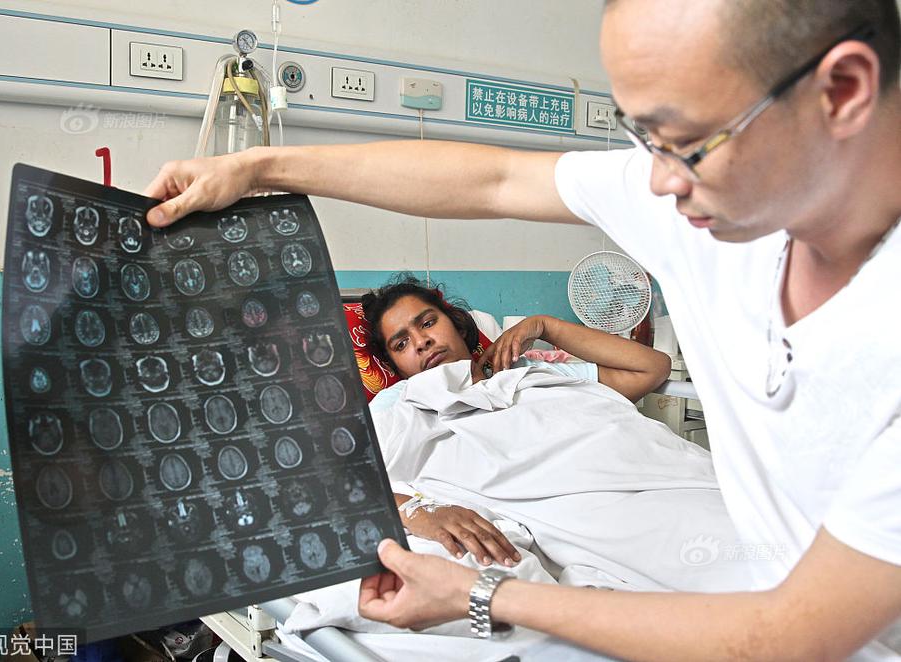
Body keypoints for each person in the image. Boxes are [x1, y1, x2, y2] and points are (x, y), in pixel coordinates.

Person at [144, 0, 901, 657]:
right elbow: (494, 179)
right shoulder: (703, 197)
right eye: (642, 139)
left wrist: (481, 596)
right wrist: (258, 168)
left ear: (842, 91)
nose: (659, 182)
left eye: (685, 139)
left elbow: (793, 636)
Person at [360, 277, 747, 594]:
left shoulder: (530, 369)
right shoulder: (399, 404)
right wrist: (416, 512)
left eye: (427, 323)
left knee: (754, 526)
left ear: (457, 323)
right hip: (587, 505)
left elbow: (653, 367)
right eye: (402, 343)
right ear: (395, 364)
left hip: (659, 468)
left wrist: (544, 325)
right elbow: (343, 483)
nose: (421, 341)